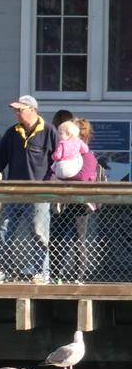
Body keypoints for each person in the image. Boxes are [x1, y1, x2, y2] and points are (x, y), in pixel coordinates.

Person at [0, 95, 58, 284]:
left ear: (32, 109)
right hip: (13, 192)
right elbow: (0, 160)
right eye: (15, 110)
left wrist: (50, 184)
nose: (16, 113)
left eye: (20, 110)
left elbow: (57, 161)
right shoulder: (12, 133)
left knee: (39, 233)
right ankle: (5, 271)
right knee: (3, 231)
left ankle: (42, 272)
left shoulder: (49, 131)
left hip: (39, 193)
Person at [53, 118, 100, 283]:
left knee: (78, 239)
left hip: (80, 204)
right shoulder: (65, 154)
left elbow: (82, 177)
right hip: (63, 201)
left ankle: (77, 277)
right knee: (57, 238)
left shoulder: (87, 156)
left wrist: (61, 177)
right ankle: (55, 275)